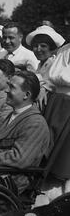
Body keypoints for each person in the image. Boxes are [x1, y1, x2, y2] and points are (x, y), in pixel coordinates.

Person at [45, 41, 70, 192]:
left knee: (66, 156)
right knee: (50, 151)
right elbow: (49, 79)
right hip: (56, 104)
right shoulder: (63, 50)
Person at [25, 25, 65, 98]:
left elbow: (54, 84)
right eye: (35, 46)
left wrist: (44, 88)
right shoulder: (40, 65)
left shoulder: (55, 63)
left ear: (51, 48)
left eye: (43, 46)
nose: (38, 49)